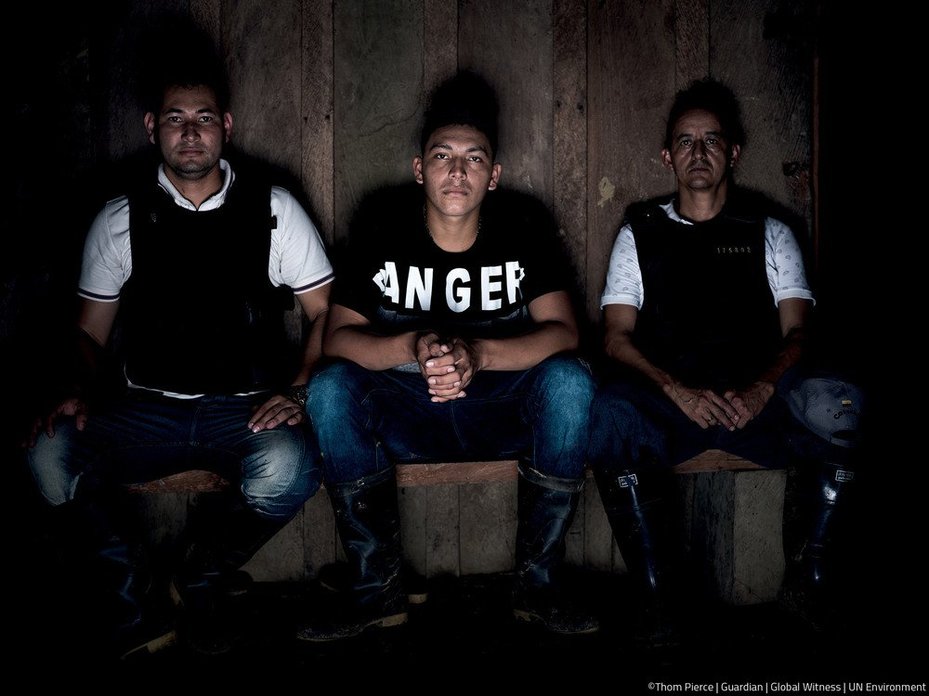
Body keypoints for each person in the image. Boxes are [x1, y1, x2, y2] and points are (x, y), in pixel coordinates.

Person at [23, 56, 333, 660]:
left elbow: (327, 314)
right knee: (48, 454)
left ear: (227, 126)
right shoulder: (121, 217)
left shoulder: (273, 208)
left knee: (292, 469)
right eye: (174, 118)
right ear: (150, 127)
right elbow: (89, 335)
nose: (190, 131)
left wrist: (295, 392)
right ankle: (135, 596)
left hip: (243, 411)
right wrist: (76, 387)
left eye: (204, 118)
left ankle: (196, 576)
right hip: (143, 410)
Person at [295, 71, 597, 641]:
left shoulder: (522, 225)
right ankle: (374, 590)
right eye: (443, 156)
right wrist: (412, 345)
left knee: (570, 382)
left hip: (499, 410)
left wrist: (477, 353)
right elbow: (337, 340)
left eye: (474, 159)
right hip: (409, 410)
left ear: (494, 175)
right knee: (330, 387)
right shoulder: (382, 223)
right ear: (419, 169)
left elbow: (564, 334)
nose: (457, 172)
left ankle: (539, 586)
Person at [587, 78, 864, 639]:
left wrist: (761, 389)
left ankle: (806, 583)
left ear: (732, 152)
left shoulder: (769, 231)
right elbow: (616, 338)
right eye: (685, 142)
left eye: (711, 140)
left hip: (753, 407)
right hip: (675, 408)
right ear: (668, 155)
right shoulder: (639, 232)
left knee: (839, 401)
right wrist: (675, 391)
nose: (698, 153)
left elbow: (800, 336)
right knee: (611, 411)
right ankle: (658, 597)